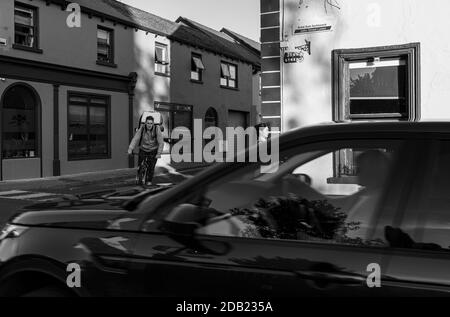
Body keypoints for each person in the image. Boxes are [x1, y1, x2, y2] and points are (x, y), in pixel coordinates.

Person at [128, 116, 164, 187]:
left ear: (153, 124)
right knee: (140, 165)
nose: (149, 125)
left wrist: (158, 153)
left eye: (151, 123)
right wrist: (130, 148)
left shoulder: (157, 129)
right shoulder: (142, 128)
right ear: (145, 123)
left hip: (153, 150)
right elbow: (135, 138)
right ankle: (139, 176)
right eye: (148, 123)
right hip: (143, 149)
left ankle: (149, 181)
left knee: (151, 167)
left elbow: (161, 143)